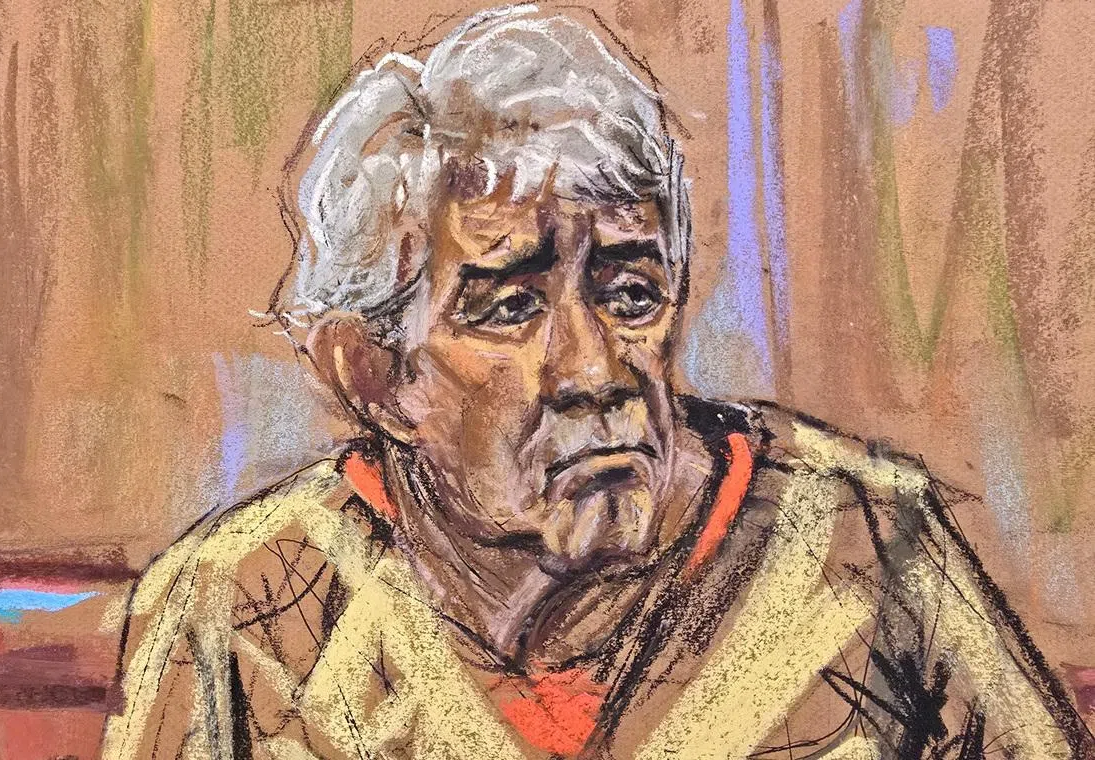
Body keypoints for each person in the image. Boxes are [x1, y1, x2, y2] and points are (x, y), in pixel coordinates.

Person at [101, 6, 1094, 758]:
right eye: (508, 306)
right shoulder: (240, 605)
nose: (594, 368)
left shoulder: (868, 544)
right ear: (373, 374)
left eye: (630, 292)